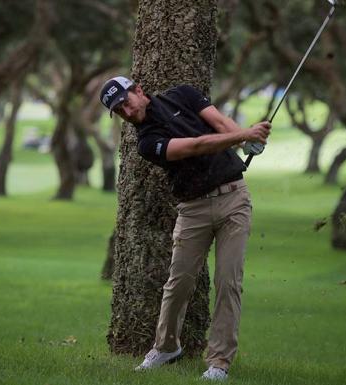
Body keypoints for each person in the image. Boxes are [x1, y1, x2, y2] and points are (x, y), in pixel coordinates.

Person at [100, 76, 270, 381]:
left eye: (125, 102)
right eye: (118, 110)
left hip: (234, 199)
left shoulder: (183, 94)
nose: (125, 112)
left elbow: (218, 122)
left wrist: (247, 140)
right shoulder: (146, 142)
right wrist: (244, 134)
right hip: (193, 210)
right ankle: (166, 347)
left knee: (228, 282)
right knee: (178, 283)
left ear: (138, 90)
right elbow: (196, 146)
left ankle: (219, 362)